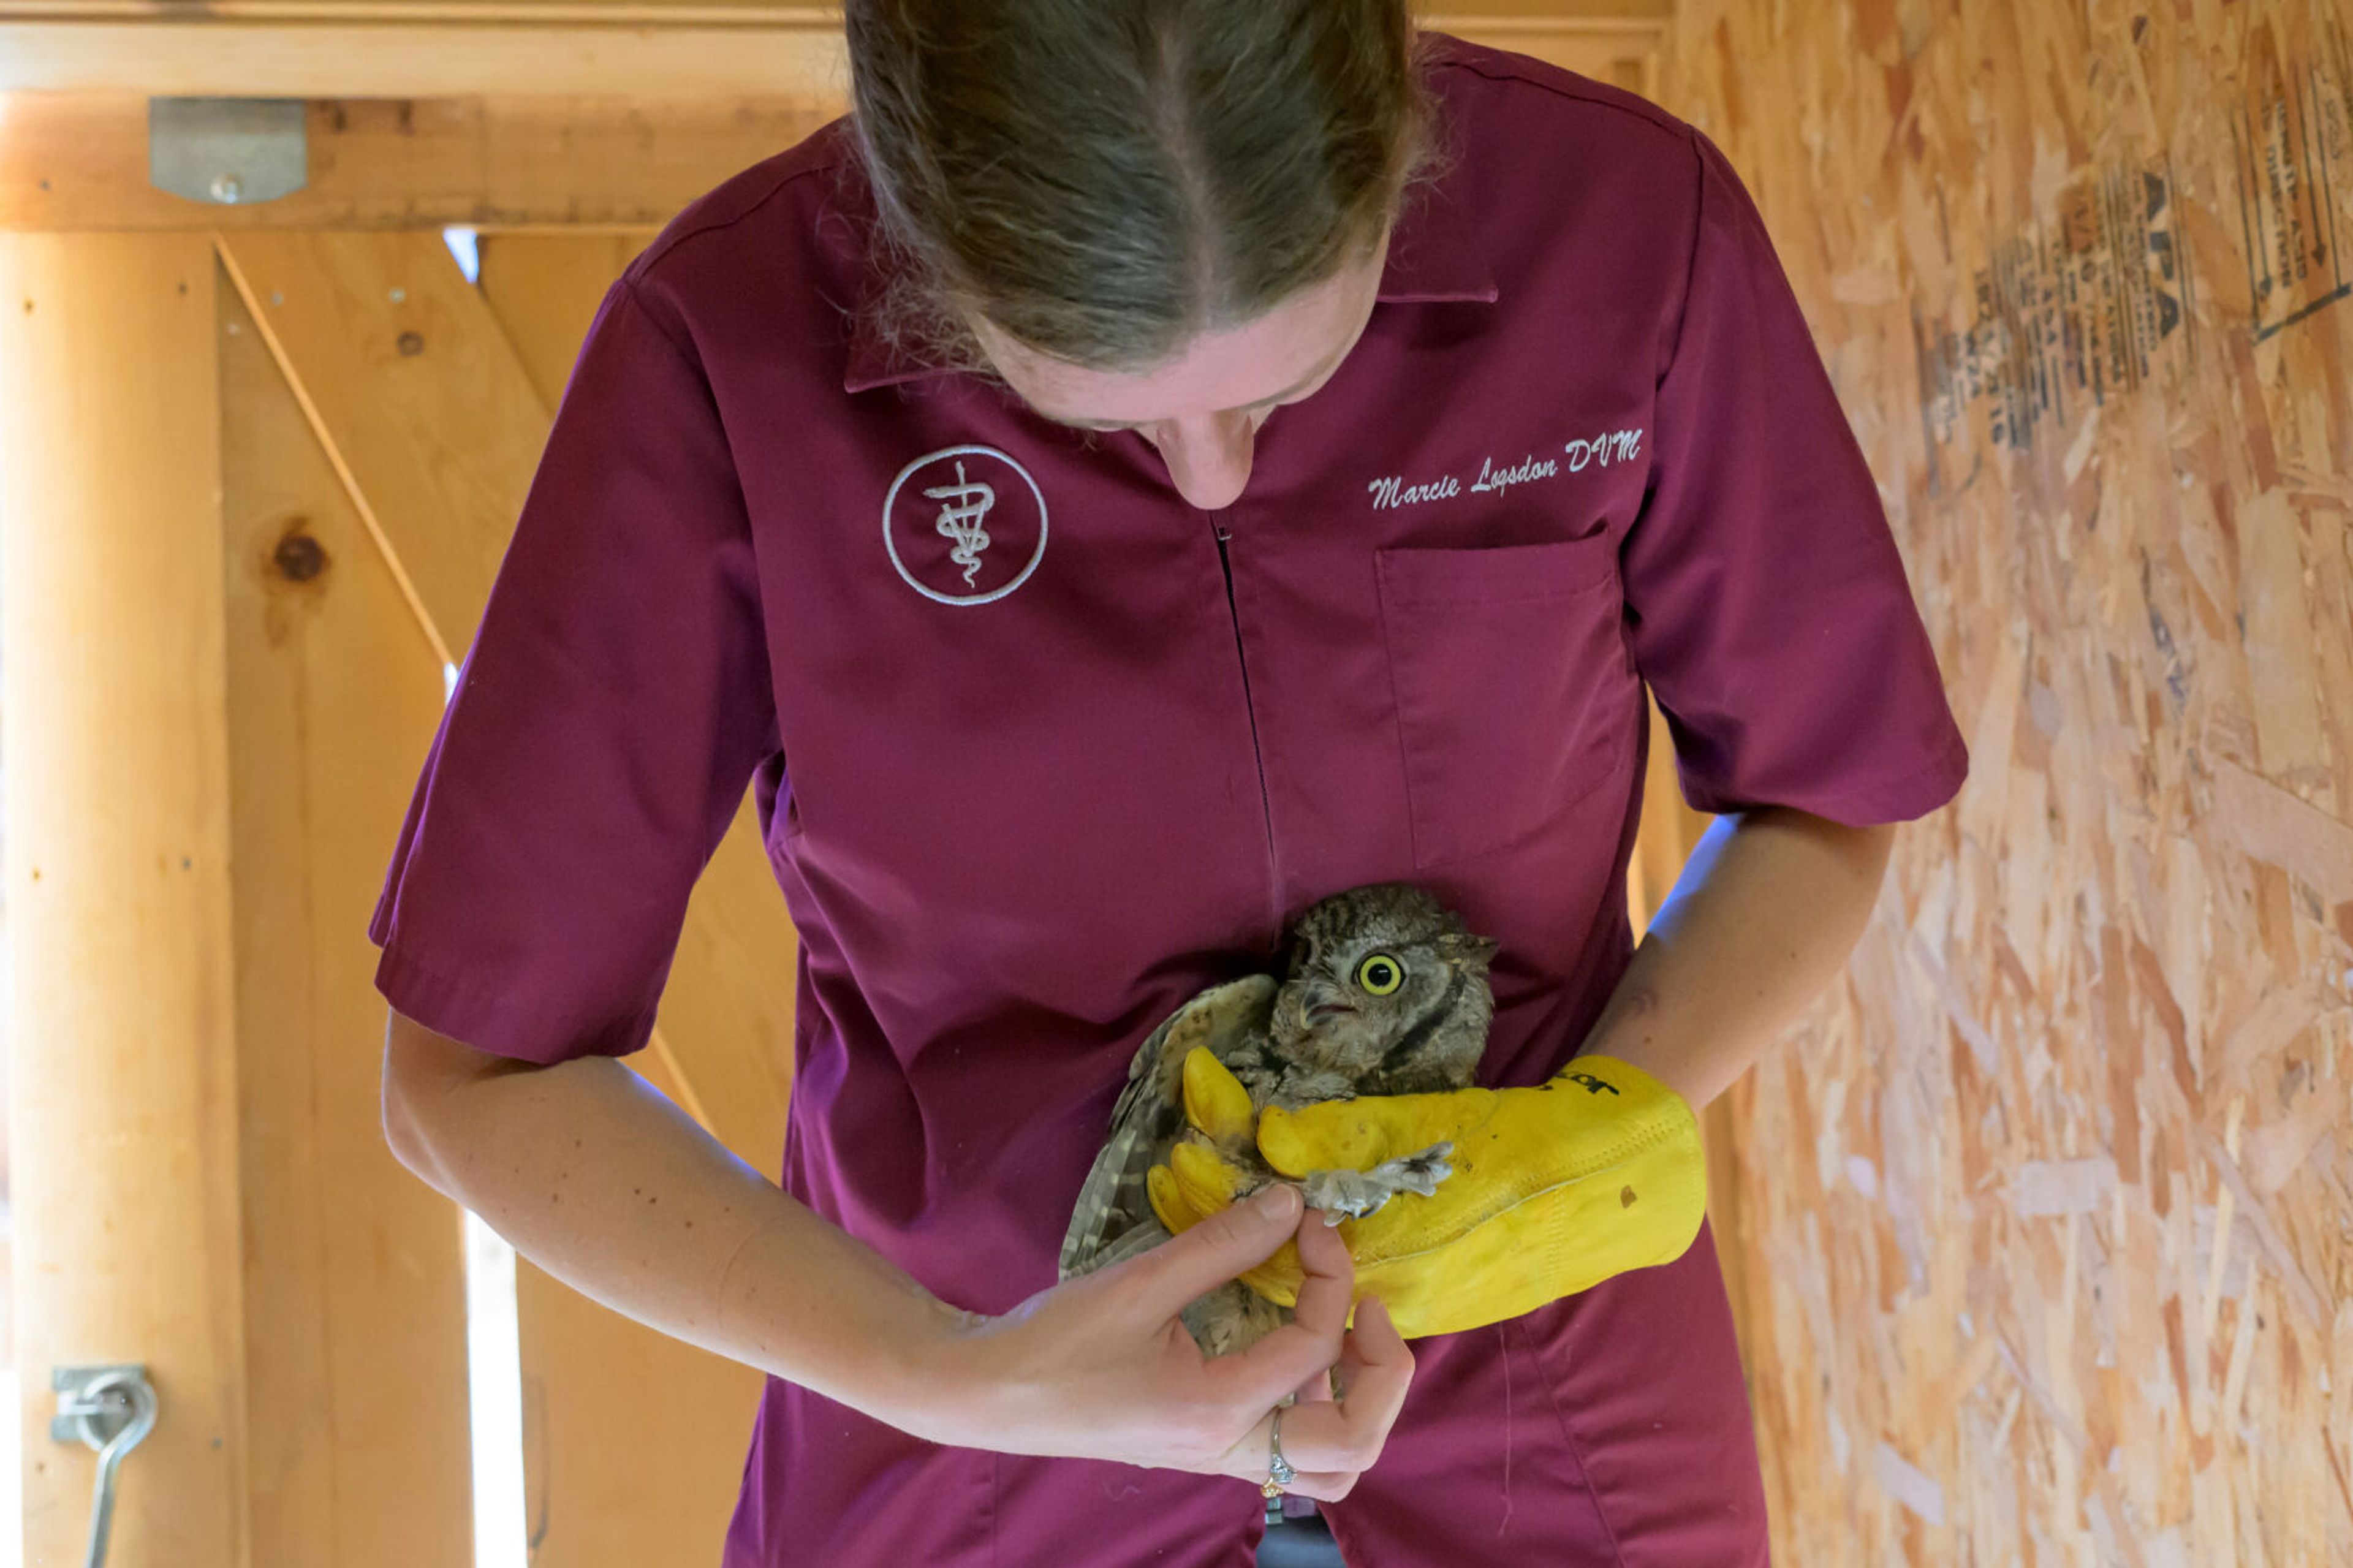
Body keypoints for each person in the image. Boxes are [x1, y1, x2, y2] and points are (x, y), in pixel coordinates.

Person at [372, 3, 1969, 1564]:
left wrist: (1608, 1114)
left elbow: (1827, 790)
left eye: (1286, 386)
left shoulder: (1627, 227)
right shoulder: (718, 347)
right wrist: (952, 1377)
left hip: (1536, 1359)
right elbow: (477, 1085)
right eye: (1102, 414)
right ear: (921, 250)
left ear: (1400, 152)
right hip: (985, 1399)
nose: (1216, 474)